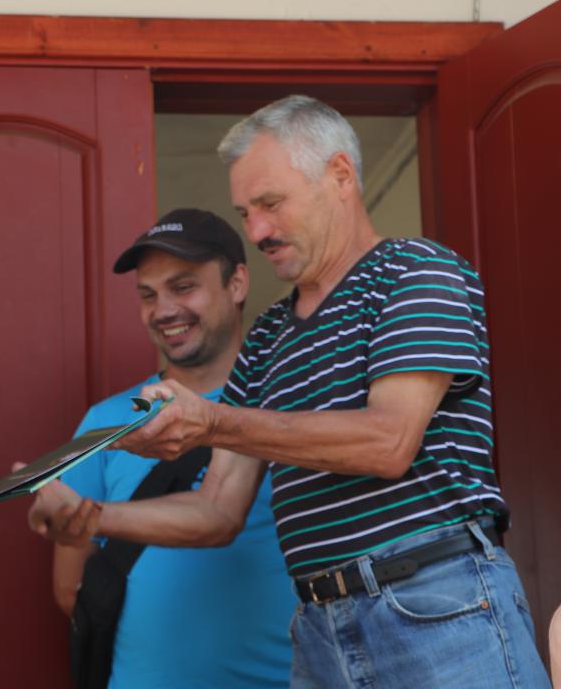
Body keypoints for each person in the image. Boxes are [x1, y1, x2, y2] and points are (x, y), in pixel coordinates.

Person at [111, 95, 550, 687]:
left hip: (436, 603)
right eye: (245, 212)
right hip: (318, 628)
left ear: (340, 175)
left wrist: (211, 422)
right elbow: (218, 508)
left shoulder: (416, 270)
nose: (256, 231)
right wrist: (92, 510)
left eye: (271, 203)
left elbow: (387, 442)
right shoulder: (267, 334)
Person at [28, 208, 294, 688]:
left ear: (237, 283)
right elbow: (72, 591)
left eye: (183, 287)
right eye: (148, 295)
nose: (163, 310)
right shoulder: (105, 423)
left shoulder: (288, 410)